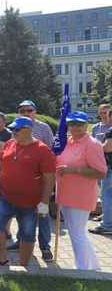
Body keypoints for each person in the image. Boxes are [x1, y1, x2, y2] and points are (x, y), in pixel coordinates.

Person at [0, 117, 55, 266]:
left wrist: (44, 203)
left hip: (30, 203)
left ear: (29, 130)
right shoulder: (10, 144)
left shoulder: (42, 149)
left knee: (27, 235)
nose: (13, 132)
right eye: (12, 129)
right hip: (6, 198)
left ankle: (23, 267)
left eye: (17, 129)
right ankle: (2, 258)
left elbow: (49, 178)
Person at [55, 111, 107, 270]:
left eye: (79, 123)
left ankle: (84, 268)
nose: (75, 126)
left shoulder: (92, 144)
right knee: (74, 231)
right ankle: (92, 265)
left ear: (86, 125)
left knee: (77, 232)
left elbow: (101, 173)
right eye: (71, 123)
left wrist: (74, 169)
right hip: (64, 194)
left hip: (80, 196)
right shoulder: (67, 141)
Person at [11, 100, 55, 262]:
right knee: (21, 212)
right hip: (22, 179)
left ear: (35, 111)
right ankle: (21, 240)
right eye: (22, 111)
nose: (25, 113)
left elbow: (51, 150)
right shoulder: (16, 127)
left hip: (41, 178)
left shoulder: (44, 128)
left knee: (42, 212)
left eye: (29, 110)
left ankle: (45, 246)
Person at [91, 110, 112, 235]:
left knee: (107, 196)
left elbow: (108, 147)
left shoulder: (110, 130)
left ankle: (107, 225)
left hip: (110, 168)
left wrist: (97, 144)